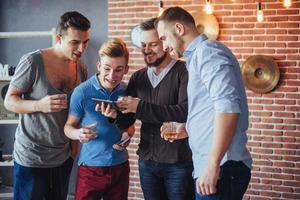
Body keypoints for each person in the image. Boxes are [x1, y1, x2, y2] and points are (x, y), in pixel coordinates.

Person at [156, 7, 253, 200]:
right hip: (217, 166)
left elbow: (228, 108)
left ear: (179, 28)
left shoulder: (207, 52)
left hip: (222, 167)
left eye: (163, 38)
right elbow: (212, 109)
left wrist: (212, 165)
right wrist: (188, 127)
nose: (163, 46)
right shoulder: (198, 57)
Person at [4, 11, 90, 200]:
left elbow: (77, 111)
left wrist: (74, 148)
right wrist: (38, 105)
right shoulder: (32, 61)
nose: (81, 49)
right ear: (59, 38)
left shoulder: (81, 68)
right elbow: (9, 101)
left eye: (85, 42)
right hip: (31, 157)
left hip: (63, 156)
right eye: (75, 42)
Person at [117, 18, 194, 200]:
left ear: (165, 42)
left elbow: (184, 111)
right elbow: (128, 120)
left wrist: (139, 106)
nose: (146, 50)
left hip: (178, 163)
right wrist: (115, 114)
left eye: (153, 44)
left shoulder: (184, 71)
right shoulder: (138, 77)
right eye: (143, 44)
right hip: (147, 162)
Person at [64, 38, 135, 200]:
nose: (112, 75)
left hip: (120, 167)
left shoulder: (127, 92)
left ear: (126, 69)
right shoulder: (82, 92)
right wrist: (79, 134)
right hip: (90, 168)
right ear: (99, 66)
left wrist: (127, 136)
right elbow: (68, 127)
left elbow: (130, 128)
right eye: (107, 68)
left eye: (118, 69)